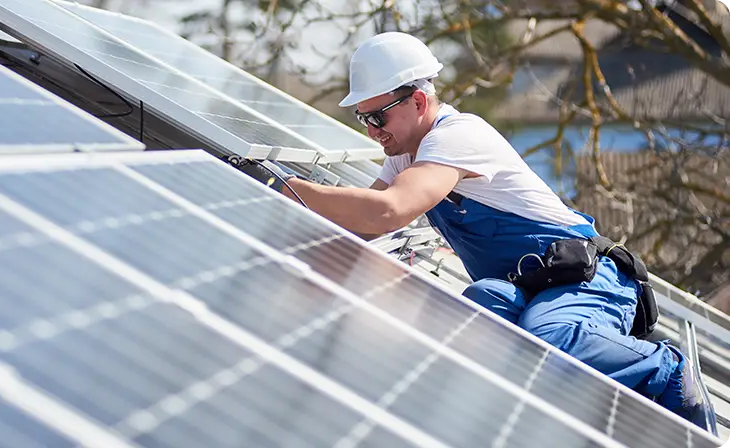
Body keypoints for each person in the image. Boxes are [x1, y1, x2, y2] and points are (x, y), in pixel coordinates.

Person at [229, 31, 713, 431]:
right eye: (363, 119)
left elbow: (388, 211)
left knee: (551, 336)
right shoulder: (405, 151)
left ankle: (669, 373)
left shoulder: (457, 136)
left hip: (586, 279)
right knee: (467, 321)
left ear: (418, 100)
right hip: (529, 285)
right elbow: (363, 226)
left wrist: (285, 186)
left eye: (378, 117)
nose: (373, 131)